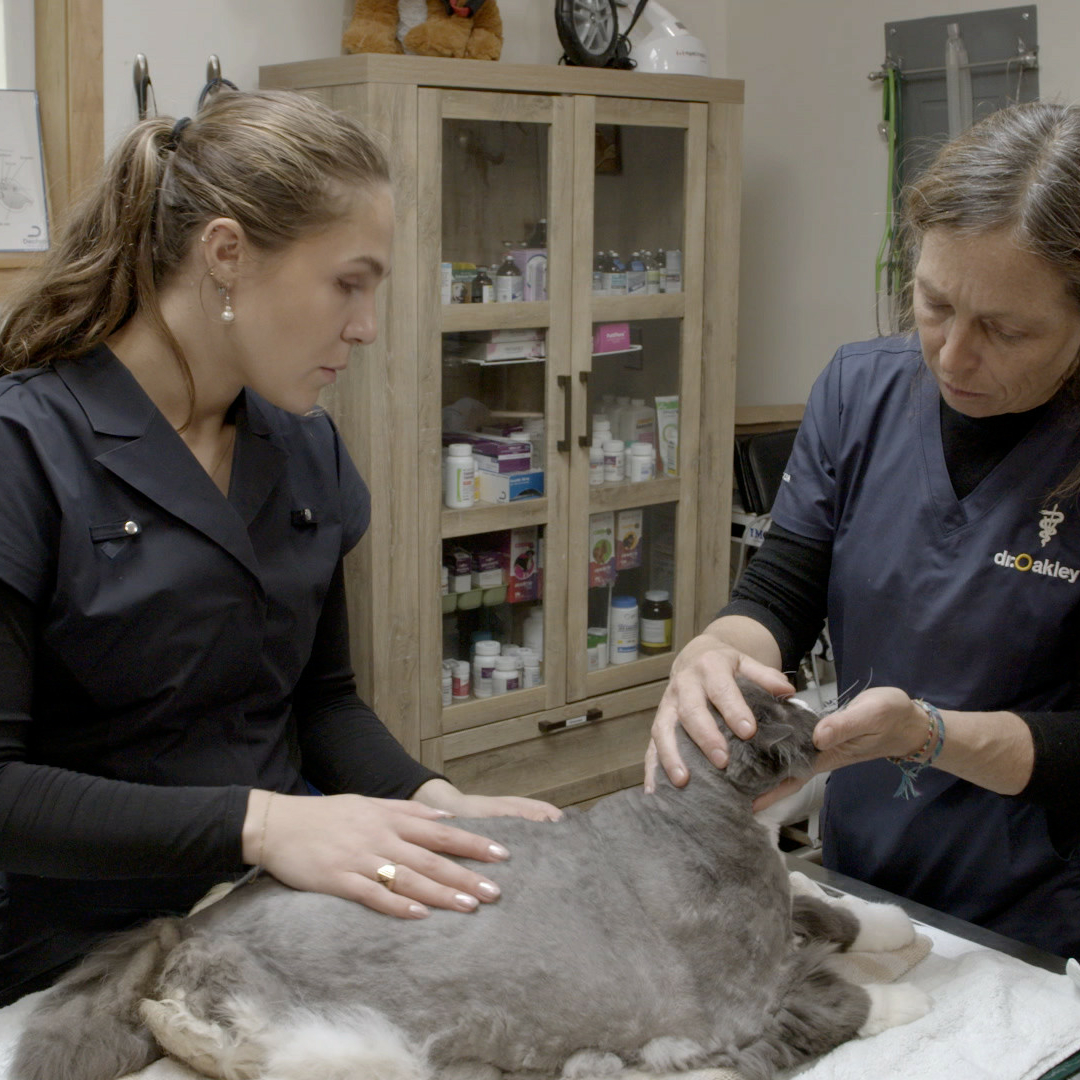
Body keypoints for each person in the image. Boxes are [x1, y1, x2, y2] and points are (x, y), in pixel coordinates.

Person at [0, 89, 559, 1007]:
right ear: (226, 254)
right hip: (73, 959)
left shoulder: (303, 448)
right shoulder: (25, 449)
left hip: (268, 918)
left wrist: (432, 803)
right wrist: (263, 825)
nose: (366, 325)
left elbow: (322, 703)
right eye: (349, 283)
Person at [648, 100, 1080, 960]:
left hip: (1048, 914)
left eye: (1004, 329)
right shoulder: (861, 392)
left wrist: (932, 736)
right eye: (934, 303)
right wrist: (714, 655)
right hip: (873, 877)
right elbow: (781, 593)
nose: (952, 355)